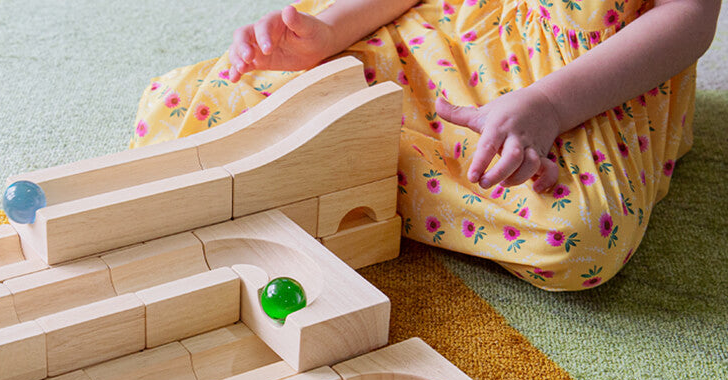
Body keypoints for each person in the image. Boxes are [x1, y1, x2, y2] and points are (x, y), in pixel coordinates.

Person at [129, 0, 721, 291]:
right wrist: (331, 32)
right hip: (445, 24)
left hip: (584, 71)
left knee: (577, 235)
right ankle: (363, 153)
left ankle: (346, 156)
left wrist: (549, 107)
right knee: (190, 106)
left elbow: (688, 17)